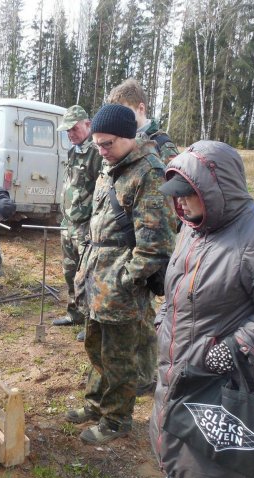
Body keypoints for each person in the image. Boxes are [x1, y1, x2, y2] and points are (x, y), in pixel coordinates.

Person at [150, 141, 254, 478]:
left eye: (187, 196)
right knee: (177, 447)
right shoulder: (192, 227)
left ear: (214, 190)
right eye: (177, 196)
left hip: (226, 376)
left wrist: (239, 344)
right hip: (179, 364)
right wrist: (163, 317)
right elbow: (178, 286)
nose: (180, 204)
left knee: (217, 465)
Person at [66, 104, 176, 444]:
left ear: (128, 137)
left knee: (119, 357)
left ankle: (116, 420)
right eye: (97, 143)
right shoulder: (109, 166)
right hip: (97, 280)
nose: (101, 150)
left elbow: (156, 245)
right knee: (96, 347)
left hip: (121, 288)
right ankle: (96, 404)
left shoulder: (149, 174)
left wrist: (126, 280)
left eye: (107, 143)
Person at [107, 79, 181, 394]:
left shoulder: (162, 145)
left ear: (141, 109)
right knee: (135, 312)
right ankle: (137, 370)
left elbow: (172, 199)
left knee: (144, 310)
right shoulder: (127, 142)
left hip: (149, 237)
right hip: (128, 234)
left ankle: (146, 374)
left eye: (127, 115)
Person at [52, 105, 103, 342]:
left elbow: (100, 191)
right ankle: (73, 313)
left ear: (87, 124)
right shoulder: (73, 151)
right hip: (68, 224)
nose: (70, 134)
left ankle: (89, 320)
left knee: (87, 275)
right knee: (69, 272)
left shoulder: (96, 153)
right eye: (67, 130)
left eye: (74, 129)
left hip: (85, 226)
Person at [107, 78, 179, 165]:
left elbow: (173, 177)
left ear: (141, 109)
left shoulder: (163, 145)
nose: (117, 119)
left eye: (123, 112)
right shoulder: (115, 142)